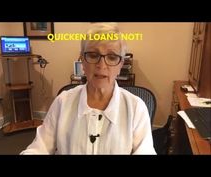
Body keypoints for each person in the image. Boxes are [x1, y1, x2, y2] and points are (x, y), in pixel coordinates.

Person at [21, 23, 156, 154]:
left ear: (121, 64)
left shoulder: (136, 108)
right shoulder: (62, 102)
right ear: (82, 61)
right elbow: (39, 148)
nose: (101, 65)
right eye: (93, 55)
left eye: (112, 57)